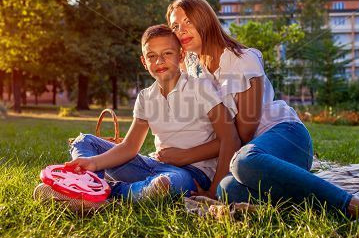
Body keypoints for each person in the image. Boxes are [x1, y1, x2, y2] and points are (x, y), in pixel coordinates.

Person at [161, 0, 359, 231]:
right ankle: (344, 195)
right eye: (175, 26)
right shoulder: (198, 72)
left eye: (187, 21)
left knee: (243, 161)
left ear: (205, 19)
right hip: (253, 162)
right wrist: (211, 189)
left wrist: (186, 156)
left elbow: (241, 134)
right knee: (228, 189)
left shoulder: (242, 59)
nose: (180, 30)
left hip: (286, 138)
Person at [34, 24, 240, 207]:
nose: (159, 61)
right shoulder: (145, 97)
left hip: (191, 174)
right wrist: (94, 163)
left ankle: (105, 197)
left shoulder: (200, 88)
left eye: (167, 53)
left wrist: (214, 191)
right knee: (84, 141)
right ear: (144, 61)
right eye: (151, 56)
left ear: (181, 55)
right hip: (152, 165)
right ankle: (90, 190)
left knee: (166, 184)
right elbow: (130, 147)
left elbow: (230, 138)